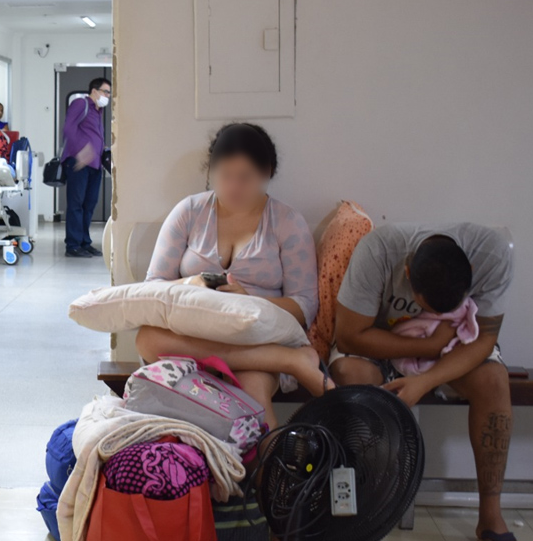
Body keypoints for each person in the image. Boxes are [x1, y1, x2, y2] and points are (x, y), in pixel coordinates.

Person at [135, 123, 330, 428]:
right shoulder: (188, 212)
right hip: (194, 336)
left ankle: (266, 474)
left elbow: (305, 306)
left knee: (253, 397)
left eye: (246, 178)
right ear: (210, 172)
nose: (234, 187)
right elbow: (153, 288)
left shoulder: (287, 222)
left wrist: (249, 302)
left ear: (267, 174)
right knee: (147, 338)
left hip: (257, 340)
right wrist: (192, 284)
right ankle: (288, 361)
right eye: (225, 176)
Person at [332, 225, 514, 540]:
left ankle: (491, 519)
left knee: (494, 380)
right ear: (407, 272)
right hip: (378, 344)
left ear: (470, 271)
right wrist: (428, 347)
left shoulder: (492, 253)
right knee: (352, 376)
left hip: (452, 348)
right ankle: (362, 510)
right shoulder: (378, 251)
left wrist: (427, 378)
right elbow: (349, 336)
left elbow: (484, 338)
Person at [62, 78, 110, 258]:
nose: (107, 96)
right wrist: (80, 152)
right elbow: (68, 129)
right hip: (78, 162)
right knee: (76, 204)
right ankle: (73, 245)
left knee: (89, 204)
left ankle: (84, 242)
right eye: (105, 91)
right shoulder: (80, 103)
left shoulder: (99, 110)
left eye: (109, 93)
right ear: (94, 90)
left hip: (95, 164)